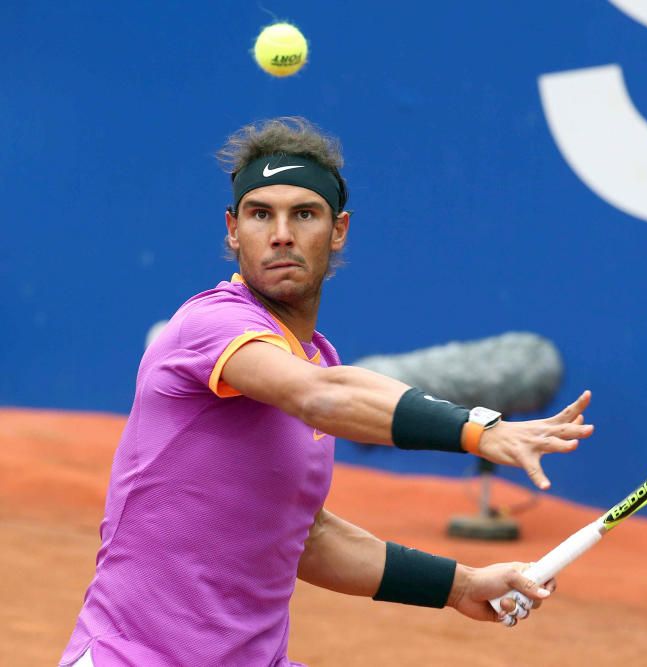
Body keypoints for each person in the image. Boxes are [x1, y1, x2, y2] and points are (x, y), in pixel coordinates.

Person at [59, 116, 594, 667]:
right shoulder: (210, 325)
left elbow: (306, 538)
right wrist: (478, 430)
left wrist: (459, 585)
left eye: (304, 214)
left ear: (337, 231)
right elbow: (321, 397)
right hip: (137, 656)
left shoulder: (319, 358)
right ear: (232, 228)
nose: (281, 233)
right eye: (260, 213)